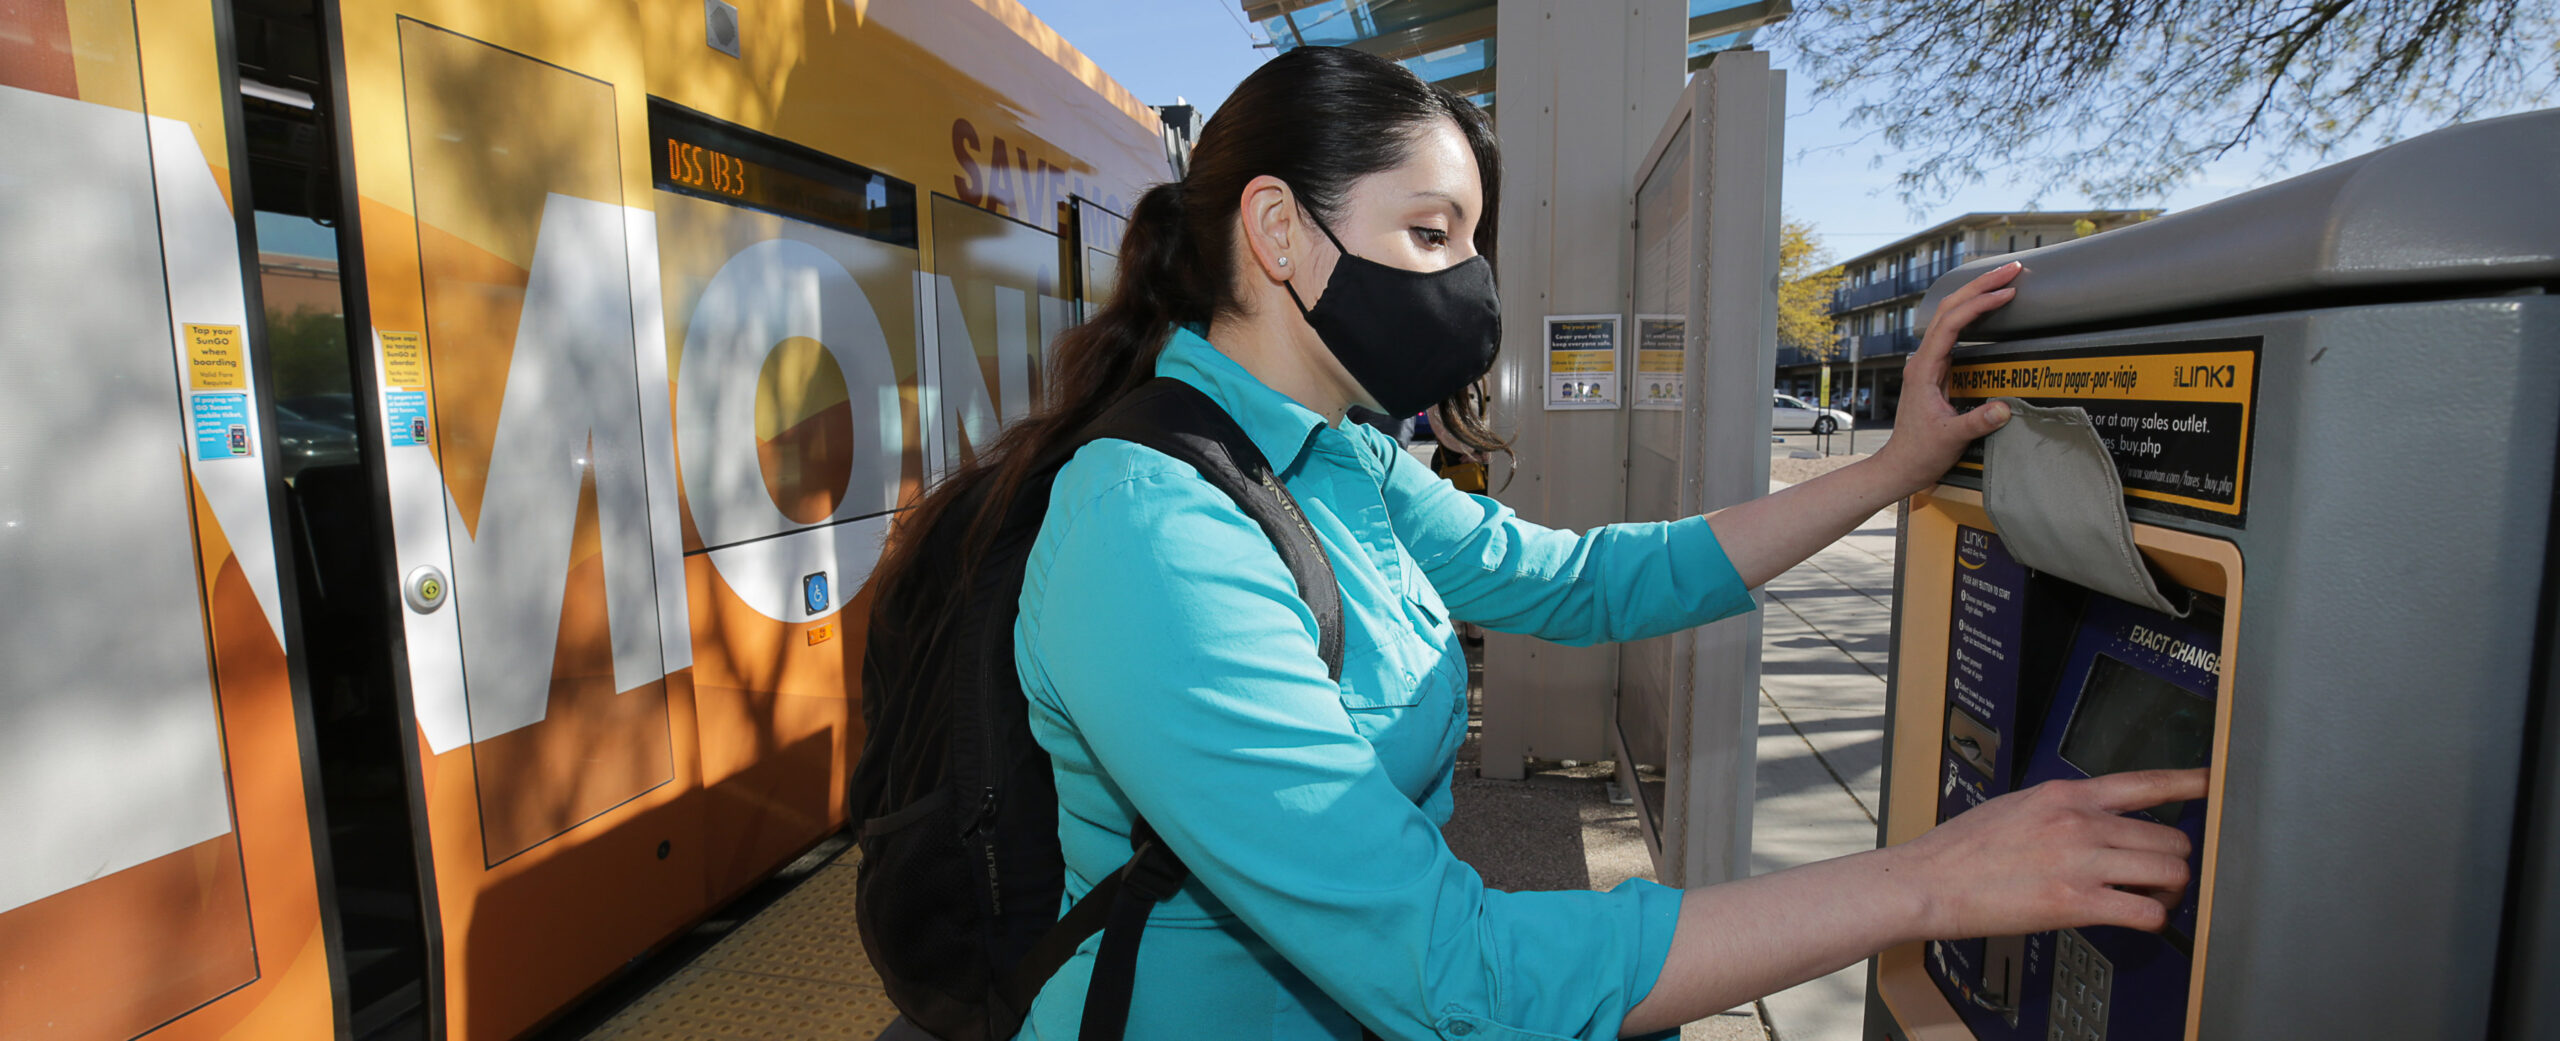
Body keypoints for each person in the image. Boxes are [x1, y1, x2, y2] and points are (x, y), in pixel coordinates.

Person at [866, 46, 2202, 1041]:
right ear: (1279, 234)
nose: (1469, 284)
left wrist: (1892, 472)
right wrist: (1929, 884)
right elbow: (1454, 972)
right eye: (1430, 233)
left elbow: (1586, 578)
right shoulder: (1150, 527)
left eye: (1471, 242)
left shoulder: (1346, 460)